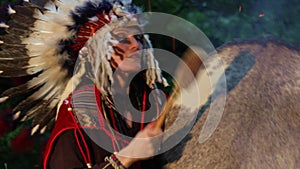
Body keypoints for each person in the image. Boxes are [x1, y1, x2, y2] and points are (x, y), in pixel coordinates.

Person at [0, 0, 168, 169]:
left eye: (138, 37)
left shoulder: (153, 99)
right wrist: (126, 157)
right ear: (95, 52)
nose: (135, 45)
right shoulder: (79, 115)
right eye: (122, 38)